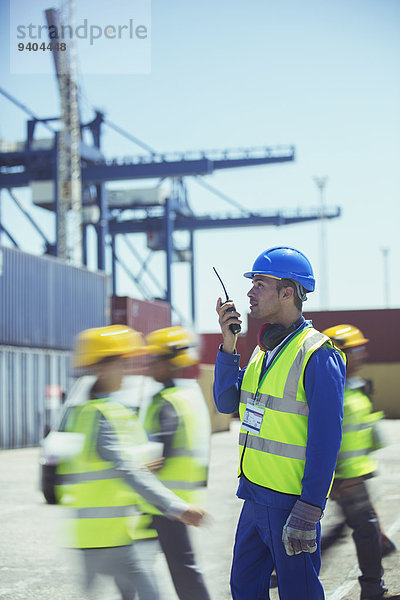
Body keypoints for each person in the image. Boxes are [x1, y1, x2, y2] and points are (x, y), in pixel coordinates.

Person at [213, 246, 346, 600]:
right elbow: (226, 402)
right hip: (254, 496)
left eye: (259, 284)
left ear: (288, 292)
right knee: (244, 587)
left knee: (298, 592)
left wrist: (311, 506)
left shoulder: (318, 355)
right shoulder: (262, 351)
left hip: (291, 503)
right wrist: (229, 344)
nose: (249, 293)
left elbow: (327, 439)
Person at [56, 324, 205, 600]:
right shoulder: (104, 414)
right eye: (121, 363)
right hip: (112, 538)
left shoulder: (83, 412)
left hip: (89, 537)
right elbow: (126, 470)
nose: (128, 370)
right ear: (103, 367)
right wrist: (177, 507)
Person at [321, 324, 399, 600]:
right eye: (357, 350)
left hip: (357, 476)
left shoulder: (352, 389)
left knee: (349, 530)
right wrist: (337, 480)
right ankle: (372, 590)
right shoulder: (332, 392)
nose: (363, 355)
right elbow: (324, 439)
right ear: (341, 354)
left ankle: (285, 567)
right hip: (347, 480)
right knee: (366, 534)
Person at [141, 326, 212, 600]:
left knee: (180, 569)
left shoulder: (166, 402)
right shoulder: (189, 395)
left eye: (154, 359)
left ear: (171, 361)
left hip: (163, 501)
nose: (149, 365)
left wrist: (132, 472)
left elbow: (161, 453)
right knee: (176, 566)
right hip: (178, 498)